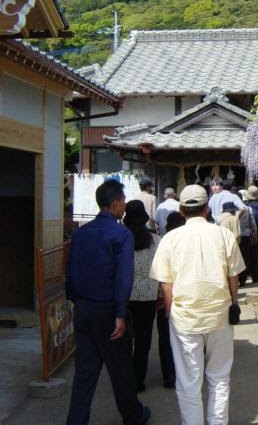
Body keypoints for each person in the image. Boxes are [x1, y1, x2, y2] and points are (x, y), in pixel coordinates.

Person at [150, 185, 245, 425]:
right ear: (206, 209)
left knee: (188, 382)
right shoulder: (223, 235)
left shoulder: (170, 238)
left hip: (184, 317)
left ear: (181, 210)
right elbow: (233, 276)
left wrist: (170, 311)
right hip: (219, 314)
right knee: (219, 377)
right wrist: (234, 302)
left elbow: (166, 283)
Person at [65, 179, 150, 425]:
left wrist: (74, 300)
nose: (124, 204)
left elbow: (70, 272)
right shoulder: (121, 234)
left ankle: (76, 421)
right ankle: (133, 416)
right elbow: (124, 277)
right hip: (109, 310)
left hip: (84, 308)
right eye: (123, 200)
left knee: (85, 373)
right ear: (115, 204)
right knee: (121, 369)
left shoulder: (80, 233)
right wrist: (121, 314)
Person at [123, 200, 159, 393]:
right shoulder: (156, 241)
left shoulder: (120, 239)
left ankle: (125, 378)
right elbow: (162, 270)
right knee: (143, 340)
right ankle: (138, 381)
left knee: (124, 339)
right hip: (148, 296)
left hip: (124, 296)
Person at [156, 211, 185, 389]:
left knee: (166, 338)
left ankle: (169, 374)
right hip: (186, 297)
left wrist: (164, 304)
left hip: (165, 297)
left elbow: (161, 276)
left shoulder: (163, 241)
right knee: (187, 339)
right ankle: (184, 373)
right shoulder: (188, 241)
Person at [244, 185, 258, 283]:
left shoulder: (244, 207)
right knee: (256, 256)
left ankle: (244, 277)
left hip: (246, 235)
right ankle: (255, 277)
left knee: (246, 255)